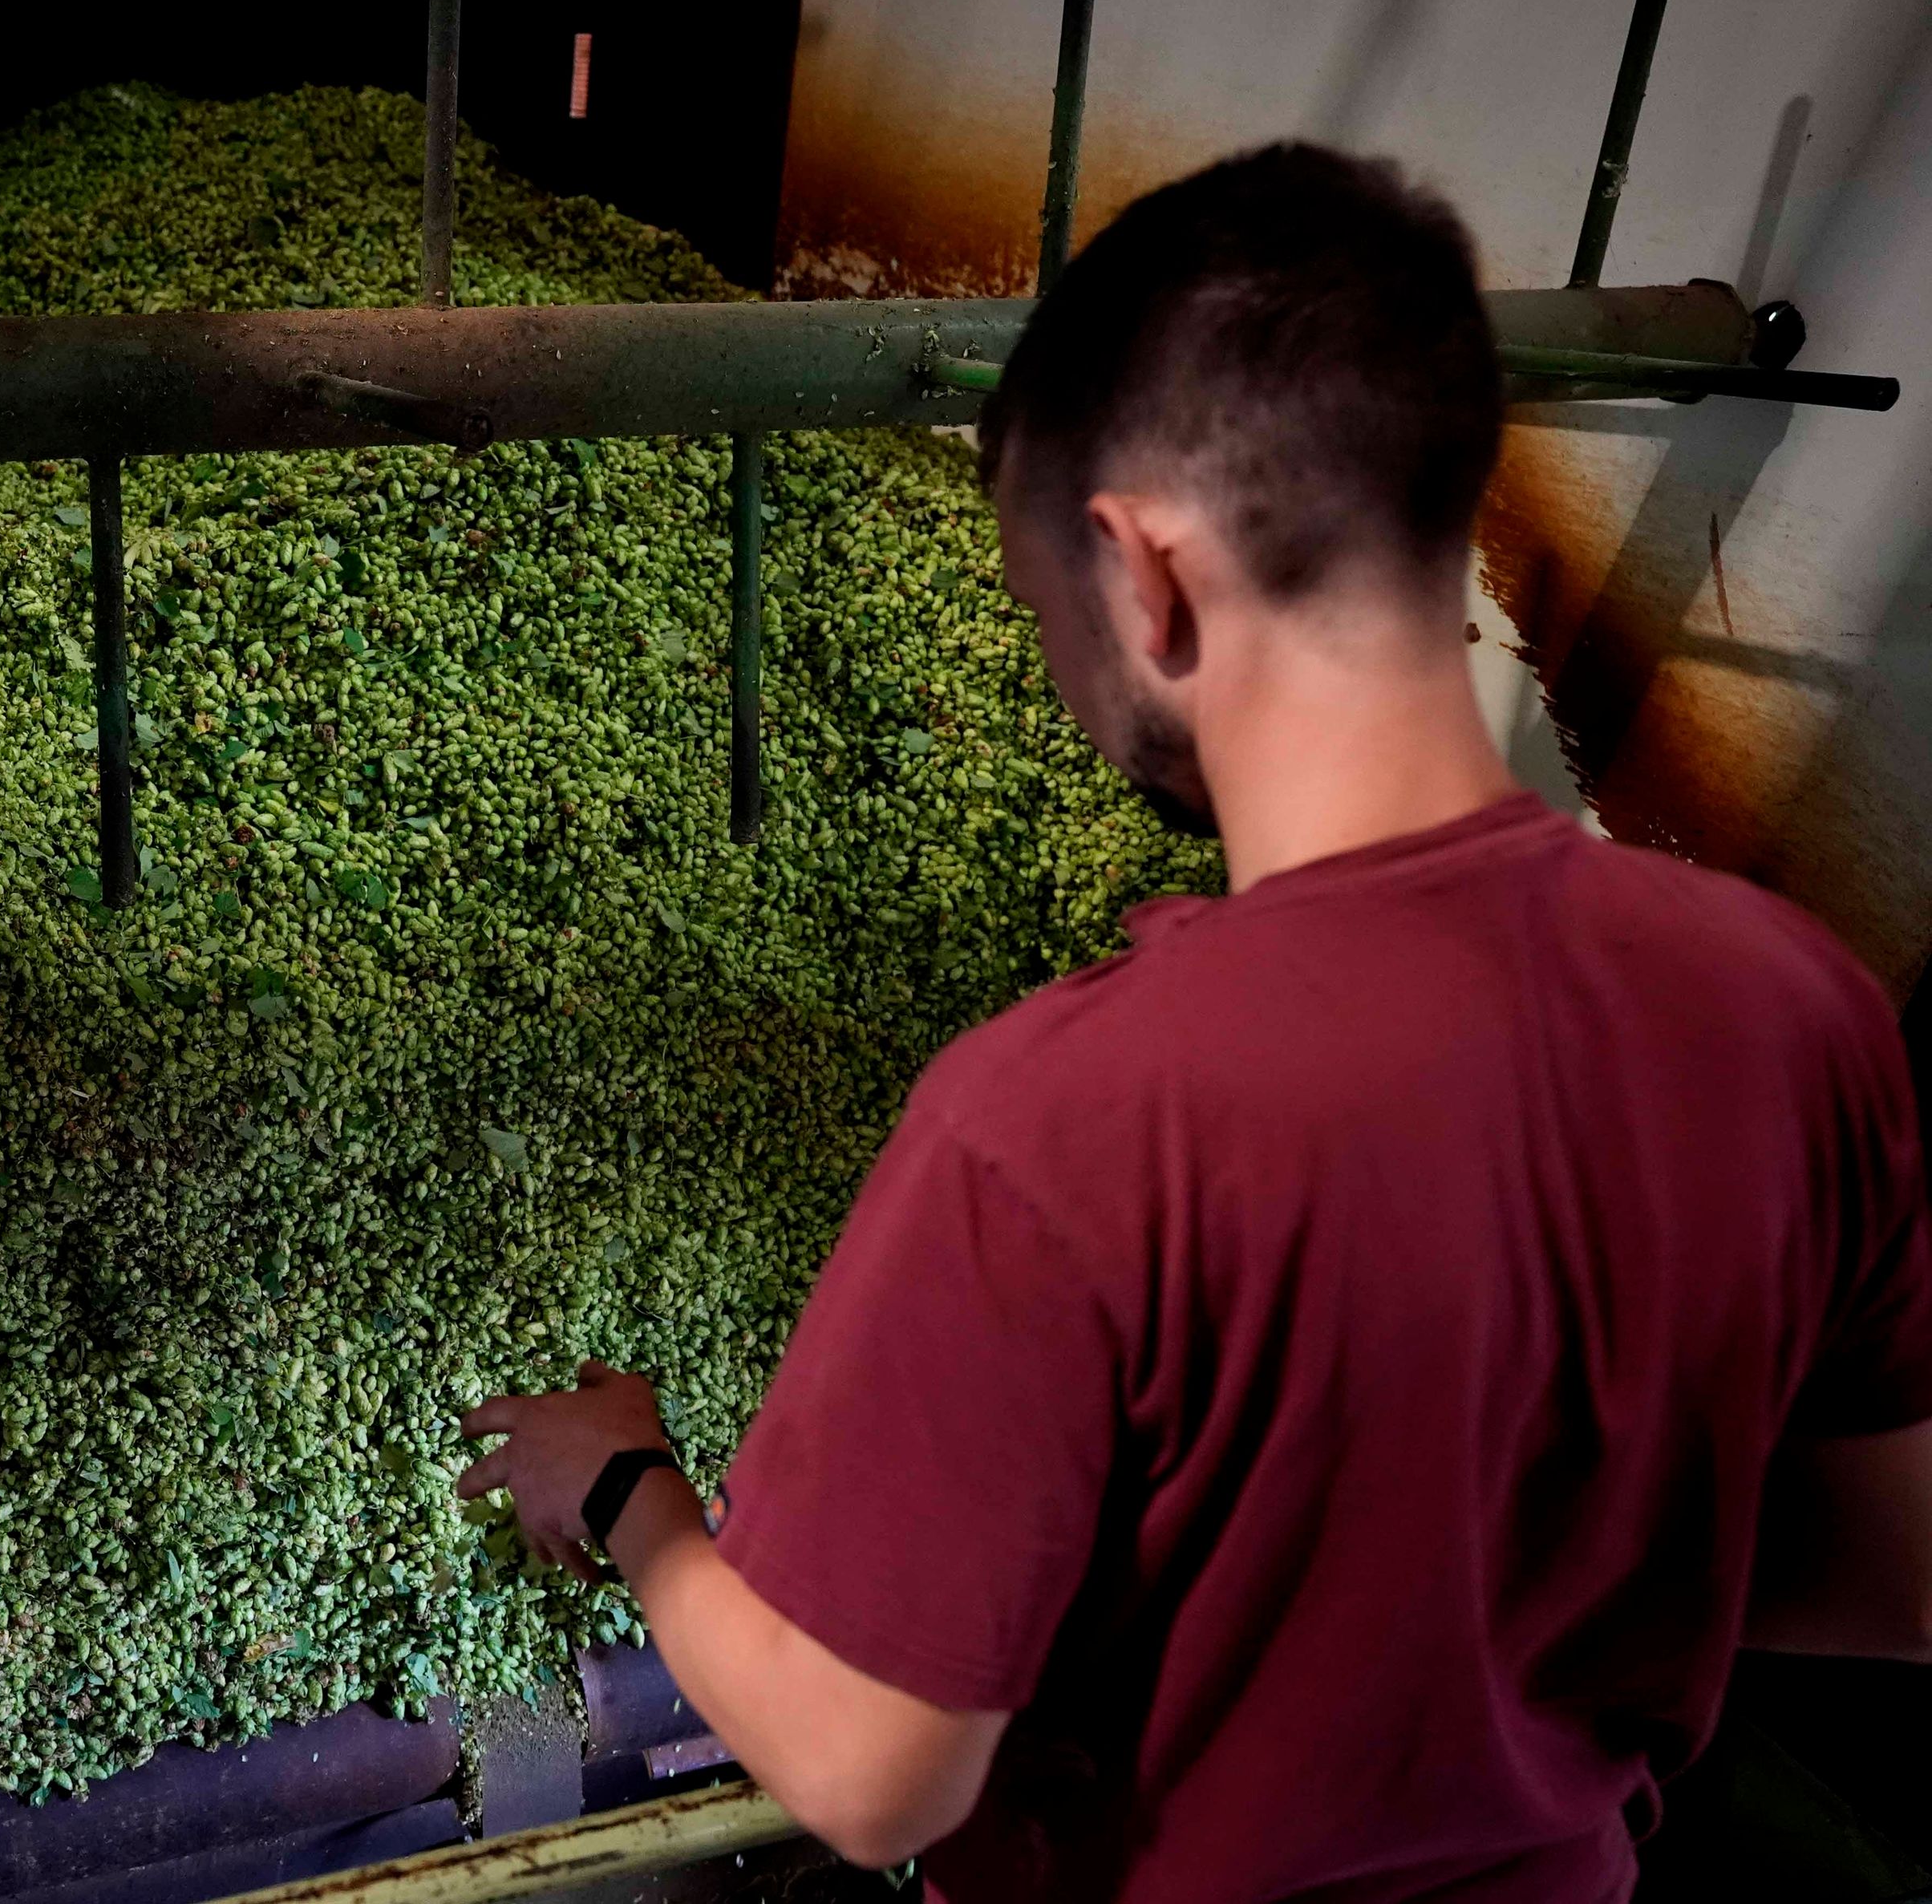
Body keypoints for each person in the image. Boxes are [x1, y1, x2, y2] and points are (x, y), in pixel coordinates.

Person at [456, 143, 1932, 1902]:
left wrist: (632, 1492)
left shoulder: (1062, 1123)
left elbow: (871, 1776)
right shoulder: (1795, 1005)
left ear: (1144, 578)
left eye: (1039, 610)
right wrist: (1485, 1561)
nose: (1066, 677)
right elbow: (1892, 1575)